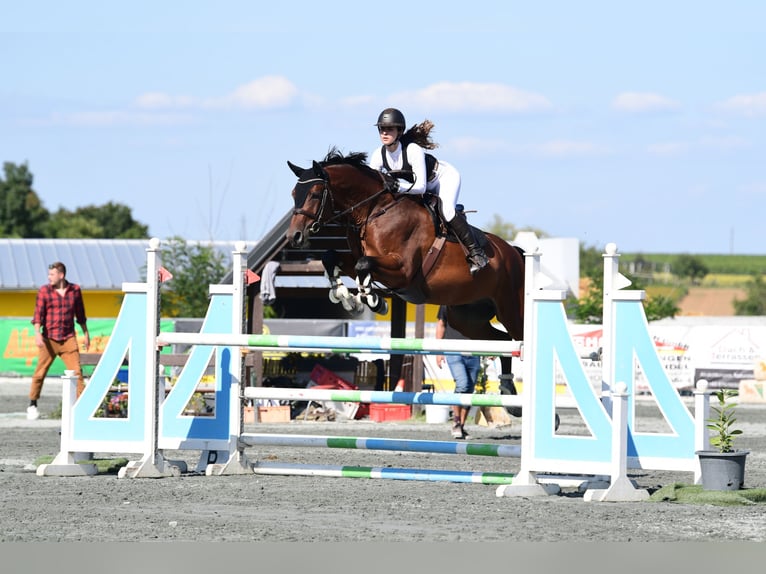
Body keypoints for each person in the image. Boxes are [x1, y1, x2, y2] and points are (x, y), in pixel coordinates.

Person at [368, 107, 488, 274]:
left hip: (442, 179)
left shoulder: (412, 150)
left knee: (446, 211)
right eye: (382, 129)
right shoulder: (377, 155)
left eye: (389, 129)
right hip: (418, 186)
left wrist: (397, 187)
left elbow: (421, 187)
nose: (384, 133)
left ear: (399, 131)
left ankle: (477, 254)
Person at [27, 261, 90, 420]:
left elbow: (80, 314)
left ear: (61, 275)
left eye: (52, 274)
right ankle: (32, 404)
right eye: (48, 274)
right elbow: (38, 314)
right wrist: (37, 333)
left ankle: (81, 406)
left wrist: (86, 334)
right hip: (49, 339)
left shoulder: (75, 290)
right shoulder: (44, 291)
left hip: (69, 338)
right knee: (40, 373)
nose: (49, 277)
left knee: (77, 373)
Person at [435, 305, 481, 439]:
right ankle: (456, 421)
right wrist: (438, 351)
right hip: (453, 350)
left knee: (469, 389)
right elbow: (441, 324)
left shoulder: (478, 301)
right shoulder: (446, 302)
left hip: (474, 351)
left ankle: (461, 426)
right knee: (462, 384)